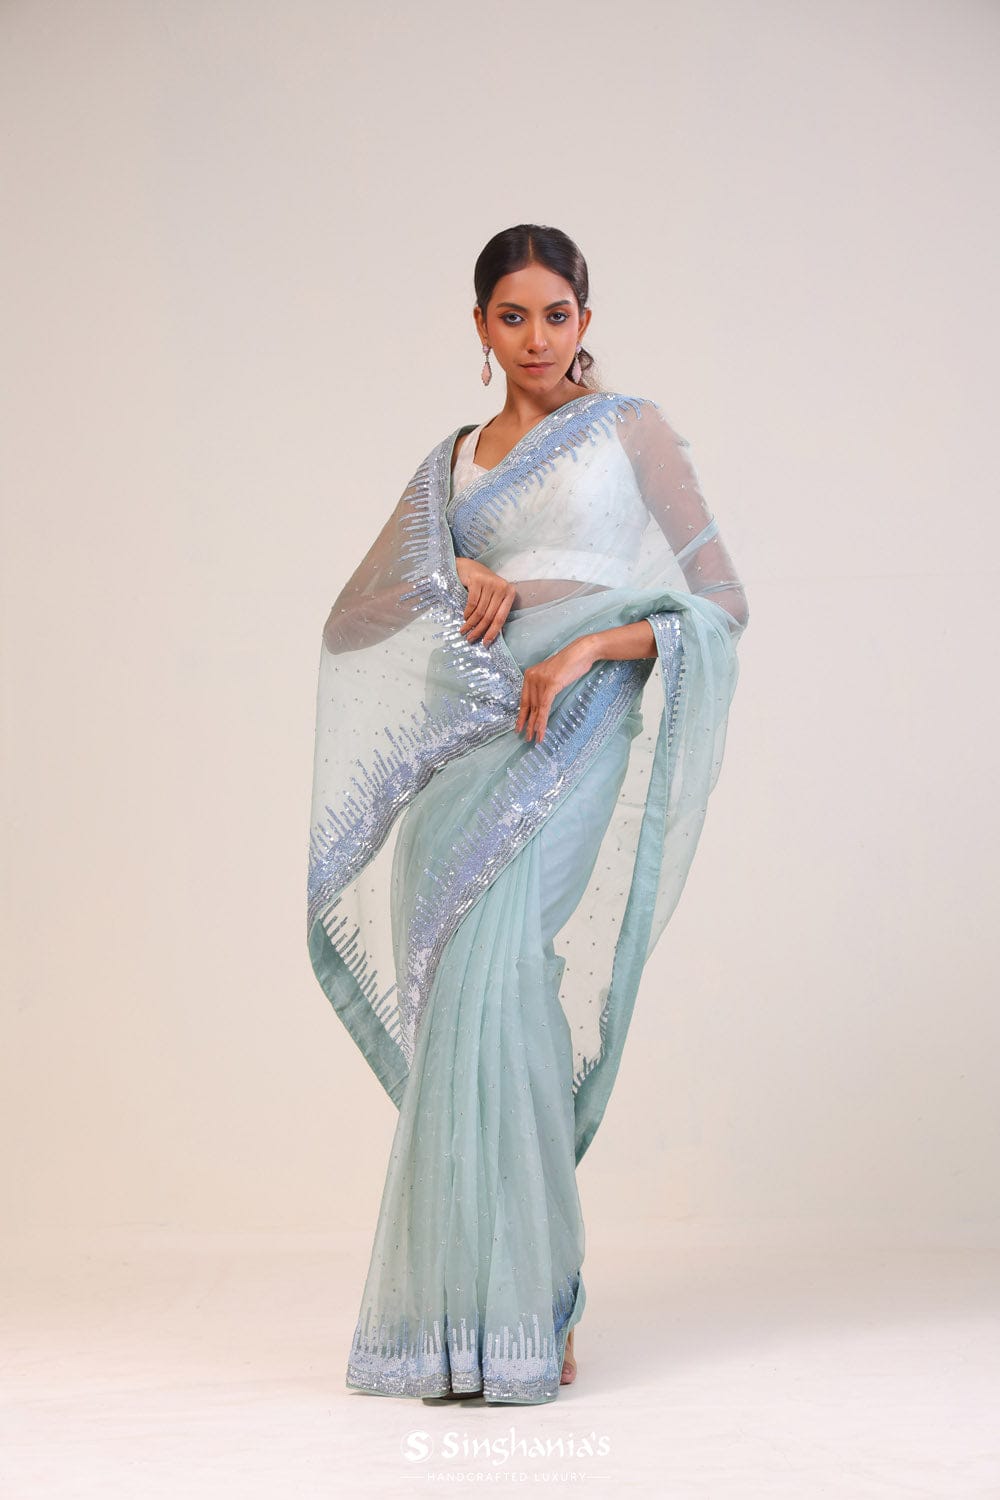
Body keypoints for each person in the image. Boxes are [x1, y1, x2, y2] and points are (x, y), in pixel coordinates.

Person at [306, 224, 749, 1405]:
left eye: (558, 315)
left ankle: (536, 1302)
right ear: (480, 326)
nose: (537, 338)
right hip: (466, 746)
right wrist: (453, 574)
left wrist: (591, 644)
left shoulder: (629, 431)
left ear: (584, 321)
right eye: (513, 316)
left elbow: (720, 602)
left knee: (505, 977)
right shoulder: (450, 466)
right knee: (472, 1007)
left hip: (575, 723)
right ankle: (462, 1319)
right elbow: (353, 620)